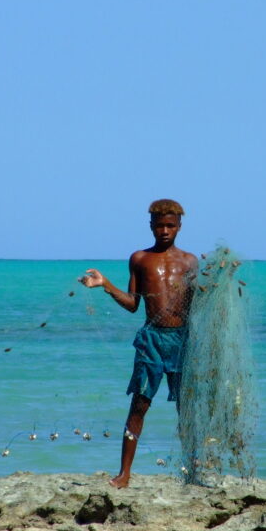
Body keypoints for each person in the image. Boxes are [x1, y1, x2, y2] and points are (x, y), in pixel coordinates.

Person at [81, 199, 198, 488]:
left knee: (186, 407)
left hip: (182, 340)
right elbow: (133, 304)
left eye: (171, 225)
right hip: (152, 339)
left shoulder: (190, 262)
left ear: (180, 226)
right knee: (140, 405)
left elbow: (198, 304)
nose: (165, 231)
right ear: (151, 226)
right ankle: (124, 474)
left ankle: (193, 471)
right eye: (160, 225)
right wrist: (106, 285)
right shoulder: (140, 259)